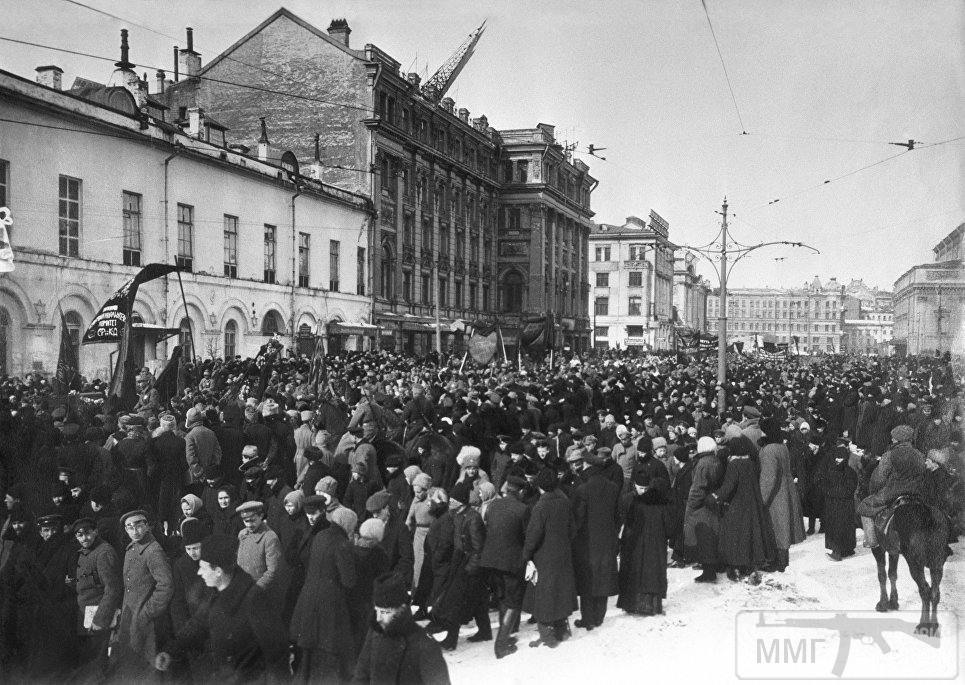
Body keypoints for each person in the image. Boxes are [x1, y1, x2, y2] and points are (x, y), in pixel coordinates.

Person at [155, 535, 288, 683]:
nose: (199, 573)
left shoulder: (254, 600)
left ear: (218, 571)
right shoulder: (215, 593)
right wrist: (170, 651)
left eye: (203, 568)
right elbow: (197, 625)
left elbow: (277, 653)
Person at [289, 490, 358, 683]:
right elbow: (348, 581)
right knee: (328, 652)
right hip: (330, 603)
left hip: (308, 597)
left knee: (309, 652)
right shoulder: (342, 543)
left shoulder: (320, 536)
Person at [352, 572, 451, 685]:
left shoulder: (425, 646)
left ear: (402, 609)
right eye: (377, 610)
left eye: (385, 612)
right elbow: (361, 675)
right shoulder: (375, 634)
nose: (378, 618)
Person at [114, 509, 174, 679]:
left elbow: (166, 585)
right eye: (129, 527)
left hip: (148, 622)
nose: (135, 530)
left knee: (149, 669)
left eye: (139, 525)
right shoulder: (131, 549)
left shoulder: (153, 550)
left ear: (147, 526)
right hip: (131, 618)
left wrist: (148, 612)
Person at [522, 468, 577, 649]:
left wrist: (526, 555)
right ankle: (562, 630)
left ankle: (548, 637)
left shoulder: (541, 506)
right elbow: (572, 530)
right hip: (563, 554)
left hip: (544, 557)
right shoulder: (565, 502)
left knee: (544, 596)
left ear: (540, 487)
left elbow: (533, 535)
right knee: (560, 593)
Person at [617, 448, 671, 616]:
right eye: (640, 488)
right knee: (636, 573)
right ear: (635, 486)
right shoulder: (628, 499)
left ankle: (646, 606)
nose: (643, 491)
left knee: (645, 572)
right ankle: (633, 605)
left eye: (645, 488)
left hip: (648, 543)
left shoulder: (655, 501)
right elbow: (622, 522)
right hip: (634, 542)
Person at [480, 475, 529, 658]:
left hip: (490, 562)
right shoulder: (523, 509)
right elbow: (526, 538)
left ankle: (505, 637)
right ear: (521, 491)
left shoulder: (493, 505)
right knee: (514, 602)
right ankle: (501, 645)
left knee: (502, 599)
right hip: (511, 563)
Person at [571, 446, 620, 629]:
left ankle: (587, 619)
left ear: (588, 468)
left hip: (587, 543)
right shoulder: (613, 488)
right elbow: (617, 516)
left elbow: (578, 519)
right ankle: (599, 617)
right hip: (607, 541)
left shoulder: (582, 490)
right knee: (603, 578)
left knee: (587, 580)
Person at [857, 425, 927, 548]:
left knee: (865, 505)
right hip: (917, 492)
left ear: (898, 439)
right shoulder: (919, 454)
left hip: (893, 492)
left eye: (894, 437)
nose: (892, 440)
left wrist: (874, 491)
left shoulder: (889, 455)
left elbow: (879, 478)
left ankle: (871, 541)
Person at [73, 516, 123, 679]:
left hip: (100, 617)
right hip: (87, 615)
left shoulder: (103, 552)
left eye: (87, 533)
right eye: (79, 535)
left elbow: (112, 589)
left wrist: (100, 620)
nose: (84, 538)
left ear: (95, 532)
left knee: (99, 667)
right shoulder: (85, 553)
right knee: (90, 664)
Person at [758, 431, 806, 572]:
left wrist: (762, 499)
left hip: (775, 495)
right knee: (783, 527)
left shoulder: (768, 450)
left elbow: (768, 478)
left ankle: (776, 562)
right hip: (786, 489)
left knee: (776, 528)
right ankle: (783, 561)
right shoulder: (782, 446)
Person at [684, 436, 723, 583]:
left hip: (701, 506)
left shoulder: (702, 463)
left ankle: (709, 571)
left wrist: (690, 506)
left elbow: (698, 487)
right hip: (711, 503)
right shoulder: (715, 460)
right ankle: (712, 566)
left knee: (703, 537)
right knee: (711, 536)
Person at [236, 500, 289, 606]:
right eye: (246, 521)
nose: (249, 525)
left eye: (253, 520)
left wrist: (255, 589)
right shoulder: (242, 534)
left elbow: (273, 571)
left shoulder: (269, 537)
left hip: (261, 593)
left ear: (261, 516)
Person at [823, 444, 858, 561]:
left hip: (842, 505)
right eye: (836, 457)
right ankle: (846, 549)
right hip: (835, 505)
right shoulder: (831, 471)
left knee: (840, 528)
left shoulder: (849, 472)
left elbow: (849, 489)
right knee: (840, 528)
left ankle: (839, 551)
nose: (837, 460)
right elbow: (825, 485)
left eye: (840, 457)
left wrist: (832, 492)